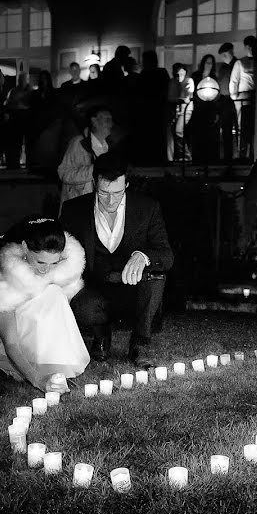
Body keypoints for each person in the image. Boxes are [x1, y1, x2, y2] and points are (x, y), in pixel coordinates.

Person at [60, 153, 174, 368]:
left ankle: (140, 343)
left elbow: (166, 255)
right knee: (82, 306)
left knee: (157, 276)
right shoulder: (74, 210)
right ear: (94, 183)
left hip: (134, 289)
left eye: (118, 193)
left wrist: (143, 255)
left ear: (127, 184)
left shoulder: (147, 208)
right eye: (103, 193)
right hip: (95, 289)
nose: (111, 201)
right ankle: (101, 336)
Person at [0, 217, 90, 393]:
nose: (46, 270)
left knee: (55, 294)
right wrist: (37, 380)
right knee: (49, 297)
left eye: (54, 263)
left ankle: (49, 363)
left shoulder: (62, 269)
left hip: (31, 316)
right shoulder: (3, 281)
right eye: (40, 262)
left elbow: (58, 320)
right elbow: (11, 343)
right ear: (24, 247)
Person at [57, 105, 113, 209]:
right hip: (78, 209)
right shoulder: (78, 143)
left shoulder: (109, 147)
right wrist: (94, 169)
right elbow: (63, 173)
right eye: (107, 119)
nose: (111, 124)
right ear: (94, 121)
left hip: (100, 208)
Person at [230, 35, 257, 159]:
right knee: (244, 127)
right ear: (246, 47)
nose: (251, 48)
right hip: (245, 97)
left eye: (253, 46)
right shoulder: (240, 62)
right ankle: (243, 154)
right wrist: (235, 97)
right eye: (249, 46)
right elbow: (234, 80)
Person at [188, 54, 220, 163]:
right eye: (207, 62)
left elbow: (216, 94)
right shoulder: (196, 76)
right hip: (198, 109)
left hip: (209, 110)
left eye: (211, 63)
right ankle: (197, 159)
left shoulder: (213, 78)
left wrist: (216, 111)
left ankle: (209, 159)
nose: (209, 65)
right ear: (203, 63)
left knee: (208, 134)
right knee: (198, 134)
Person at [167, 63, 194, 161]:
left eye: (182, 73)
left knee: (178, 131)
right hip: (175, 110)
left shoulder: (189, 81)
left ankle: (186, 155)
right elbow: (170, 97)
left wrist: (178, 99)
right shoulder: (172, 82)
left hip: (186, 110)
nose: (179, 76)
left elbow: (187, 97)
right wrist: (178, 99)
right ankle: (179, 156)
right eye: (178, 74)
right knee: (174, 132)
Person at [5, 73, 33, 168]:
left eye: (24, 79)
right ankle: (16, 164)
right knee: (17, 143)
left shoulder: (29, 91)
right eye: (22, 79)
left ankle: (28, 163)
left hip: (26, 119)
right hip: (18, 119)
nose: (23, 81)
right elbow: (8, 104)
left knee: (27, 144)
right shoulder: (14, 91)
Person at [216, 43, 239, 160]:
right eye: (222, 55)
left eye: (225, 54)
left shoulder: (238, 65)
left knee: (239, 127)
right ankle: (228, 156)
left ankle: (239, 155)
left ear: (231, 52)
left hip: (236, 99)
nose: (224, 57)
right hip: (225, 101)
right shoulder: (223, 68)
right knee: (226, 129)